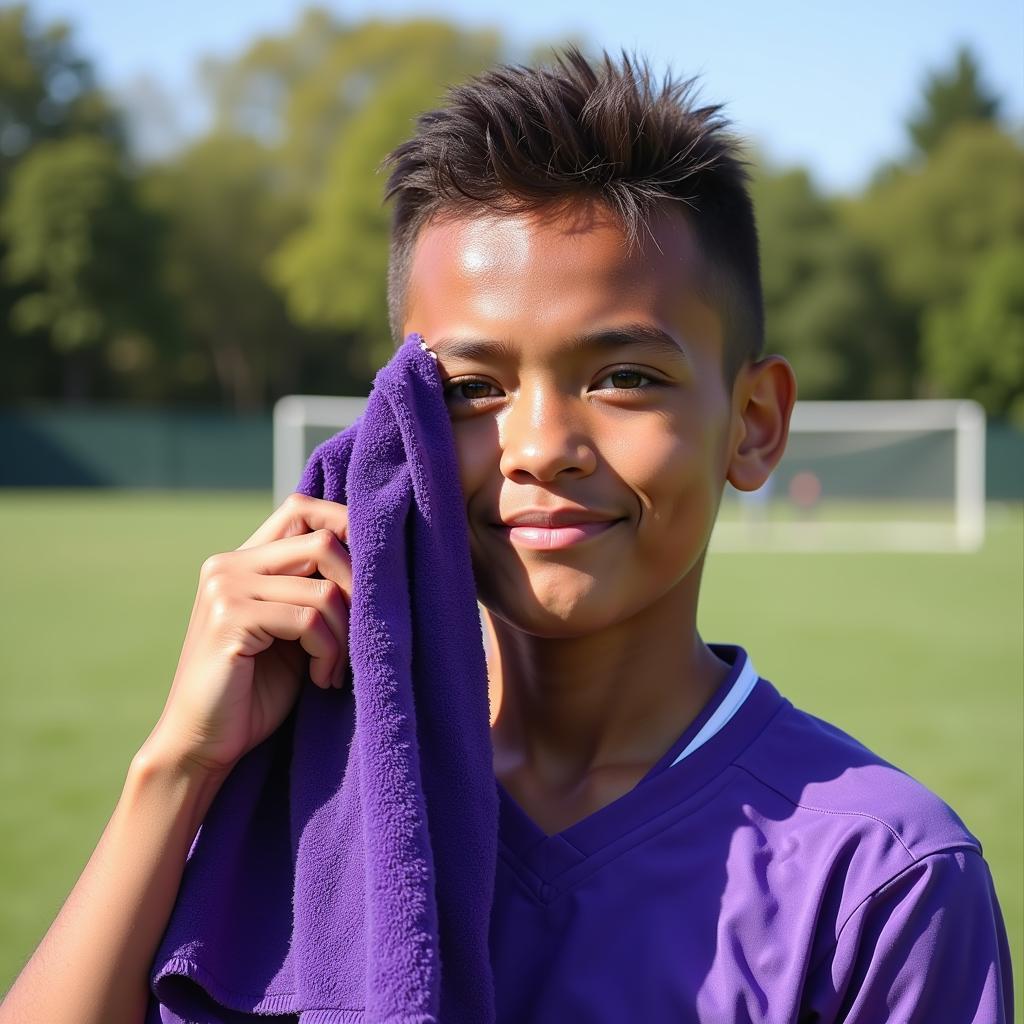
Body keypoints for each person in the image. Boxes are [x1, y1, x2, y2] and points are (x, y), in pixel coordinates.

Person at [1, 46, 1012, 1024]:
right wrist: (177, 766)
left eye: (624, 376)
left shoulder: (881, 876)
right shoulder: (312, 797)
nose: (538, 446)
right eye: (472, 390)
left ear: (753, 424)